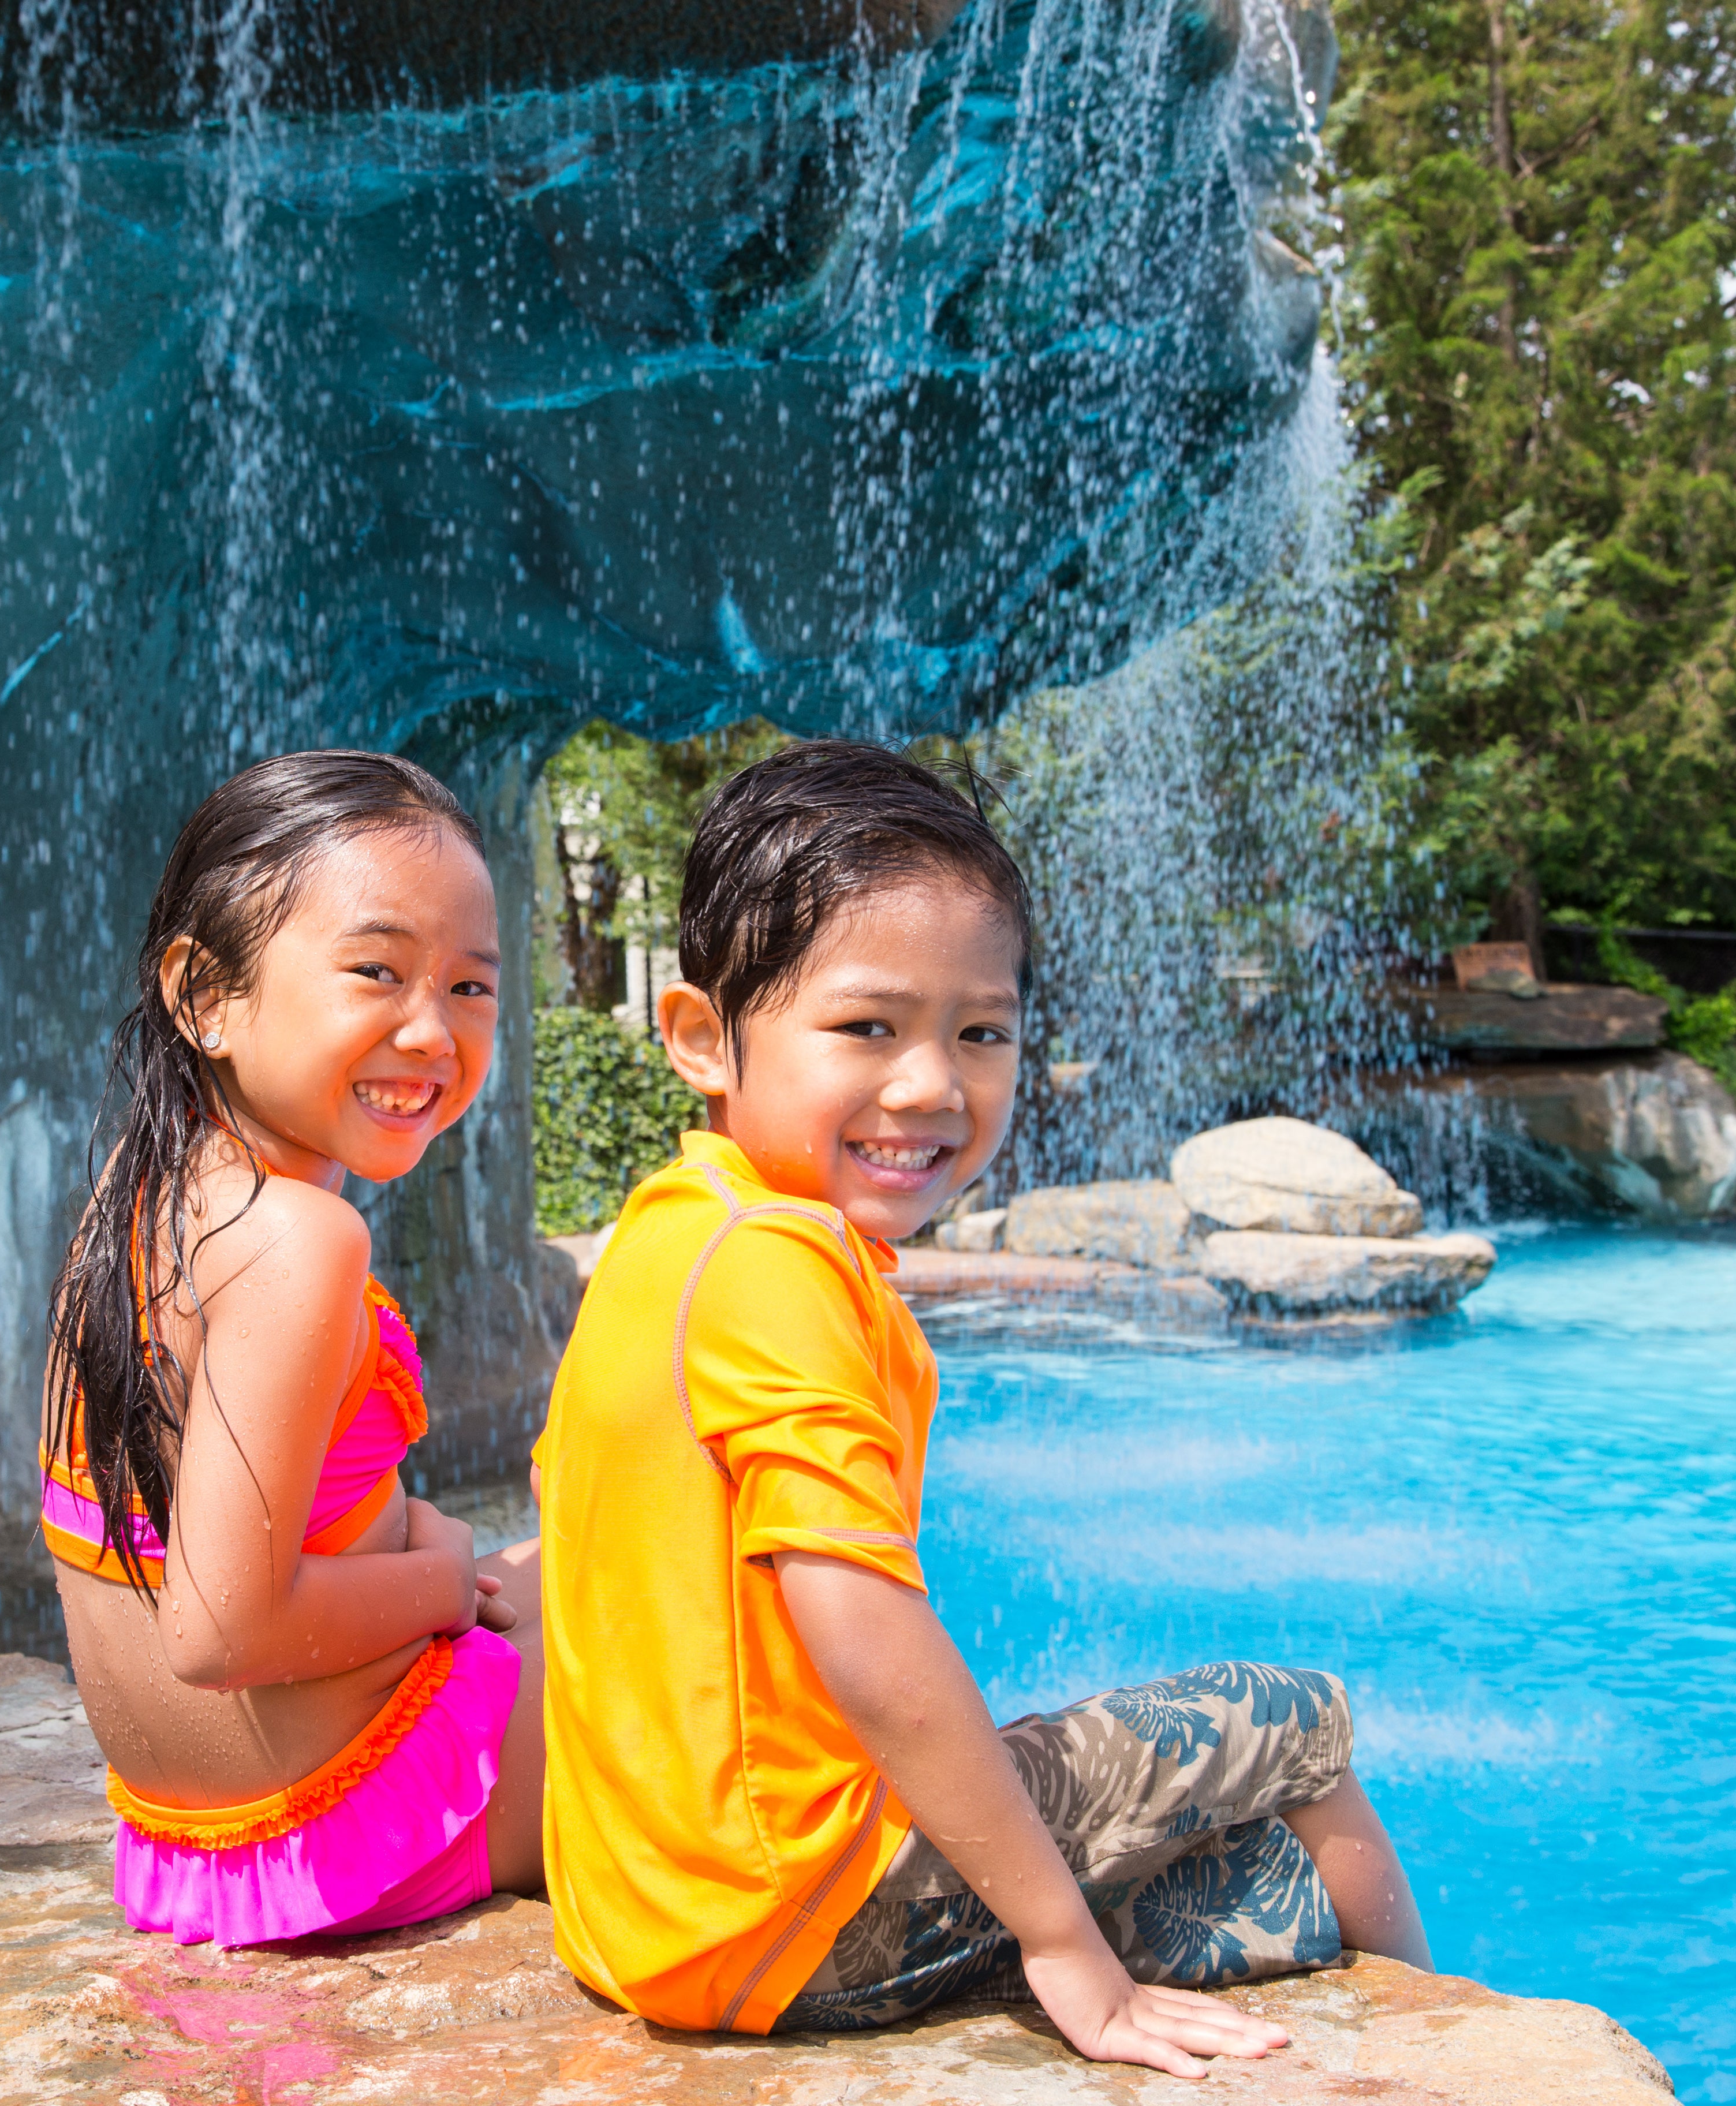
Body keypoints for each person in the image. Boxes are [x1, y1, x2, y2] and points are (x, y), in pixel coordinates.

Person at [531, 740, 1429, 2078]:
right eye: (866, 1027)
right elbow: (861, 1626)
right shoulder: (780, 1265)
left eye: (979, 1031)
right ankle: (1432, 2053)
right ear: (700, 1037)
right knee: (1289, 1715)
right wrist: (1066, 1948)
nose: (929, 1086)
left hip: (649, 1912)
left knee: (1242, 1861)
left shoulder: (671, 1233)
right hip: (795, 1910)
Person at [42, 750, 543, 1945]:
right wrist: (443, 1578)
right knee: (701, 1580)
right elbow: (219, 1632)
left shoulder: (141, 1192)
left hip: (188, 1845)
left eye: (470, 989)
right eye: (375, 972)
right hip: (353, 1820)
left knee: (570, 1561)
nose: (430, 1032)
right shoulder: (295, 1240)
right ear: (203, 995)